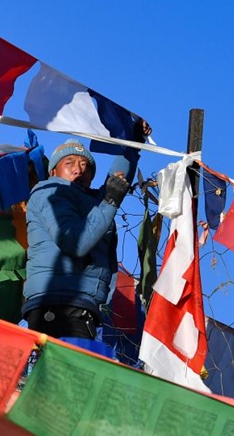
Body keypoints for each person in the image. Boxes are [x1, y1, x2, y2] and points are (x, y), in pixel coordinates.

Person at [22, 119, 152, 340]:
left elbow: (118, 177)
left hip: (81, 304)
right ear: (54, 171)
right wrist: (110, 200)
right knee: (62, 373)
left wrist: (134, 139)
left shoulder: (93, 202)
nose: (78, 169)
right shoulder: (50, 193)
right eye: (69, 163)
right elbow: (75, 241)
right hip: (57, 303)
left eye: (85, 165)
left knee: (70, 373)